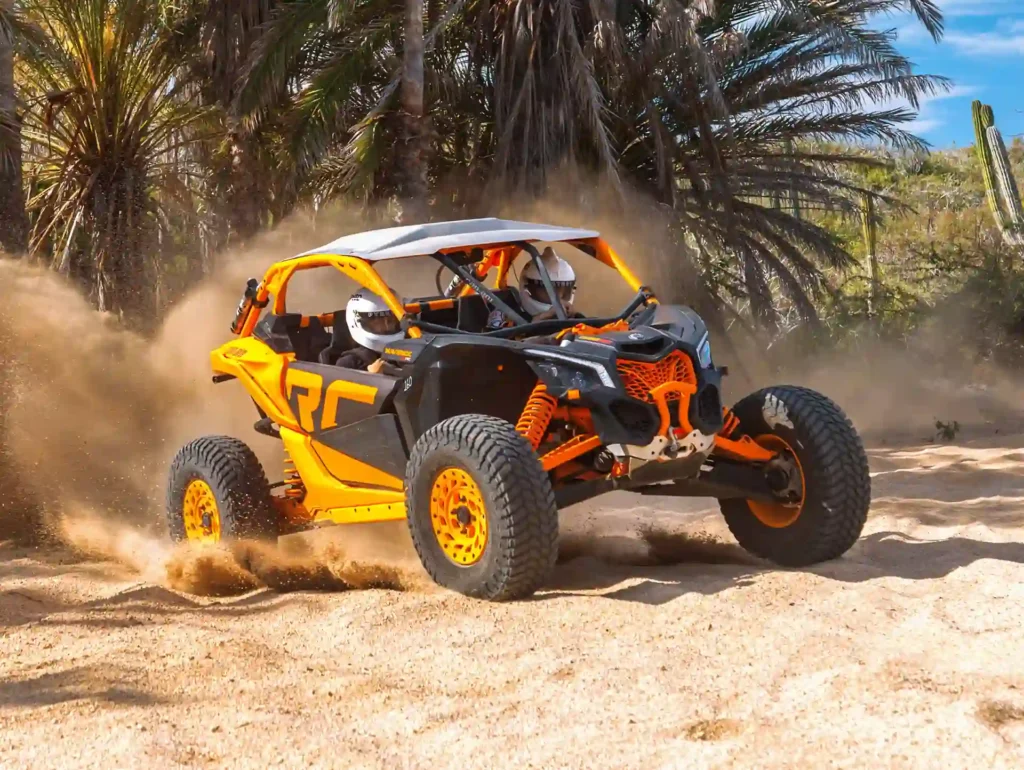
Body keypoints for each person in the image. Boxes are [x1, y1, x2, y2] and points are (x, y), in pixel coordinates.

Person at [336, 289, 405, 372]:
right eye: (379, 320)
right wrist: (371, 376)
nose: (387, 325)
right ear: (357, 321)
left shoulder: (406, 352)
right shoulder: (349, 363)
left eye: (391, 320)